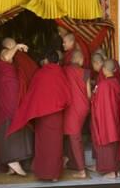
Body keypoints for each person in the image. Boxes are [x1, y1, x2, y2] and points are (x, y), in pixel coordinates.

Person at [8, 49, 72, 181]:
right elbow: (67, 94)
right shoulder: (61, 73)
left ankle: (42, 174)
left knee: (43, 145)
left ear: (47, 61)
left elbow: (33, 93)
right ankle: (54, 175)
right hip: (57, 116)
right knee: (56, 145)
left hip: (42, 115)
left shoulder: (41, 73)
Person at [0, 38, 34, 176]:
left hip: (13, 96)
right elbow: (7, 56)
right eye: (13, 44)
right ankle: (11, 159)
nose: (16, 47)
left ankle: (13, 164)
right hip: (7, 98)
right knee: (9, 123)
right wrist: (18, 46)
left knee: (17, 123)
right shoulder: (3, 54)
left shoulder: (13, 58)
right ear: (8, 45)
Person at [91, 59, 120, 178]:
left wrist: (94, 95)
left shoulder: (103, 85)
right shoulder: (117, 83)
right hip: (115, 118)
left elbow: (97, 103)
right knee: (115, 143)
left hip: (105, 119)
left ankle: (110, 172)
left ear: (104, 70)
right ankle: (117, 169)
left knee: (107, 143)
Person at [62, 50, 92, 177]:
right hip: (83, 106)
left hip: (71, 107)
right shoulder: (85, 72)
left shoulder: (65, 70)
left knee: (75, 137)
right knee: (70, 134)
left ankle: (81, 170)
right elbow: (89, 94)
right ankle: (71, 162)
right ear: (80, 60)